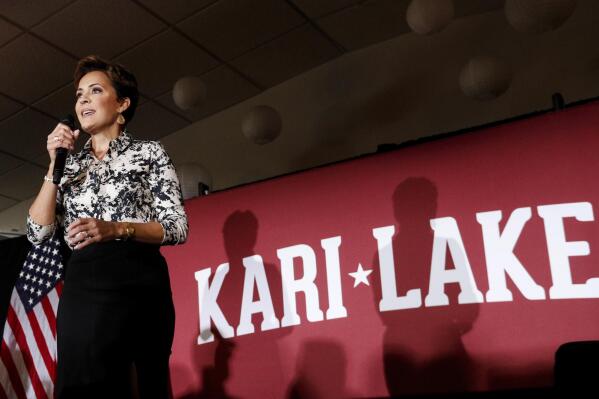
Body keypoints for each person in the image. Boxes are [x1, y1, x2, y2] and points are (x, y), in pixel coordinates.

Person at [26, 55, 188, 399]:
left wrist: (115, 229)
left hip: (140, 282)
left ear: (122, 104)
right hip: (85, 286)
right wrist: (54, 165)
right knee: (84, 387)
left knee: (145, 386)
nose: (82, 99)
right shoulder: (69, 166)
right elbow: (37, 232)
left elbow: (176, 227)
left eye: (95, 90)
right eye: (79, 94)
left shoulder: (149, 152)